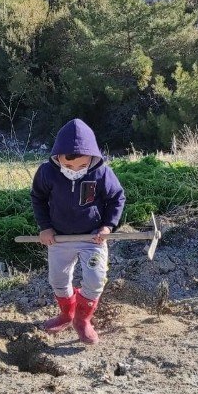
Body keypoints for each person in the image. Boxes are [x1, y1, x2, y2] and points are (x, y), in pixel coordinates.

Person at [30, 119, 126, 344]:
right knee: (58, 279)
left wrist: (107, 226)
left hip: (92, 238)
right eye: (69, 166)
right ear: (58, 157)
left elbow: (116, 198)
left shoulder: (101, 173)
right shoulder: (47, 172)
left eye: (81, 166)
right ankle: (66, 314)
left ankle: (83, 320)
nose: (75, 171)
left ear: (91, 158)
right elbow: (38, 198)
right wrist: (45, 228)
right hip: (59, 239)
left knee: (95, 280)